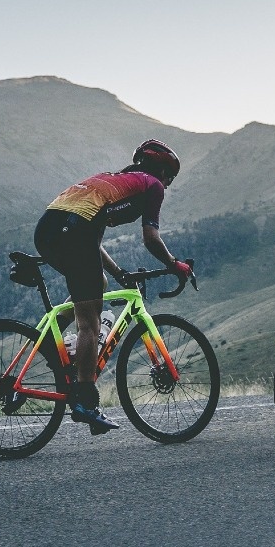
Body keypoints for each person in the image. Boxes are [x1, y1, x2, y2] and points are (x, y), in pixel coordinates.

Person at [33, 139, 193, 434]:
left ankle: (48, 344)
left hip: (48, 229)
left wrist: (120, 273)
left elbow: (92, 243)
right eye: (169, 177)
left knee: (99, 283)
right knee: (90, 324)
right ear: (160, 171)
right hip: (72, 233)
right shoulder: (151, 185)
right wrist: (175, 264)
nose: (168, 186)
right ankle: (85, 402)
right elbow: (151, 239)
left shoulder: (112, 182)